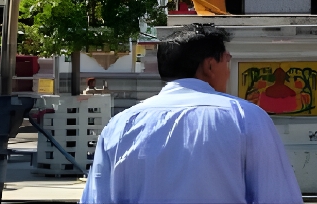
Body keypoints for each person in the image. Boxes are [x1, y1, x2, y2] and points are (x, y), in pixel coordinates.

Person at [81, 23, 302, 203]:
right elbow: (278, 196)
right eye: (227, 60)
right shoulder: (246, 118)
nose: (228, 69)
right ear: (209, 66)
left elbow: (97, 198)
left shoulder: (120, 125)